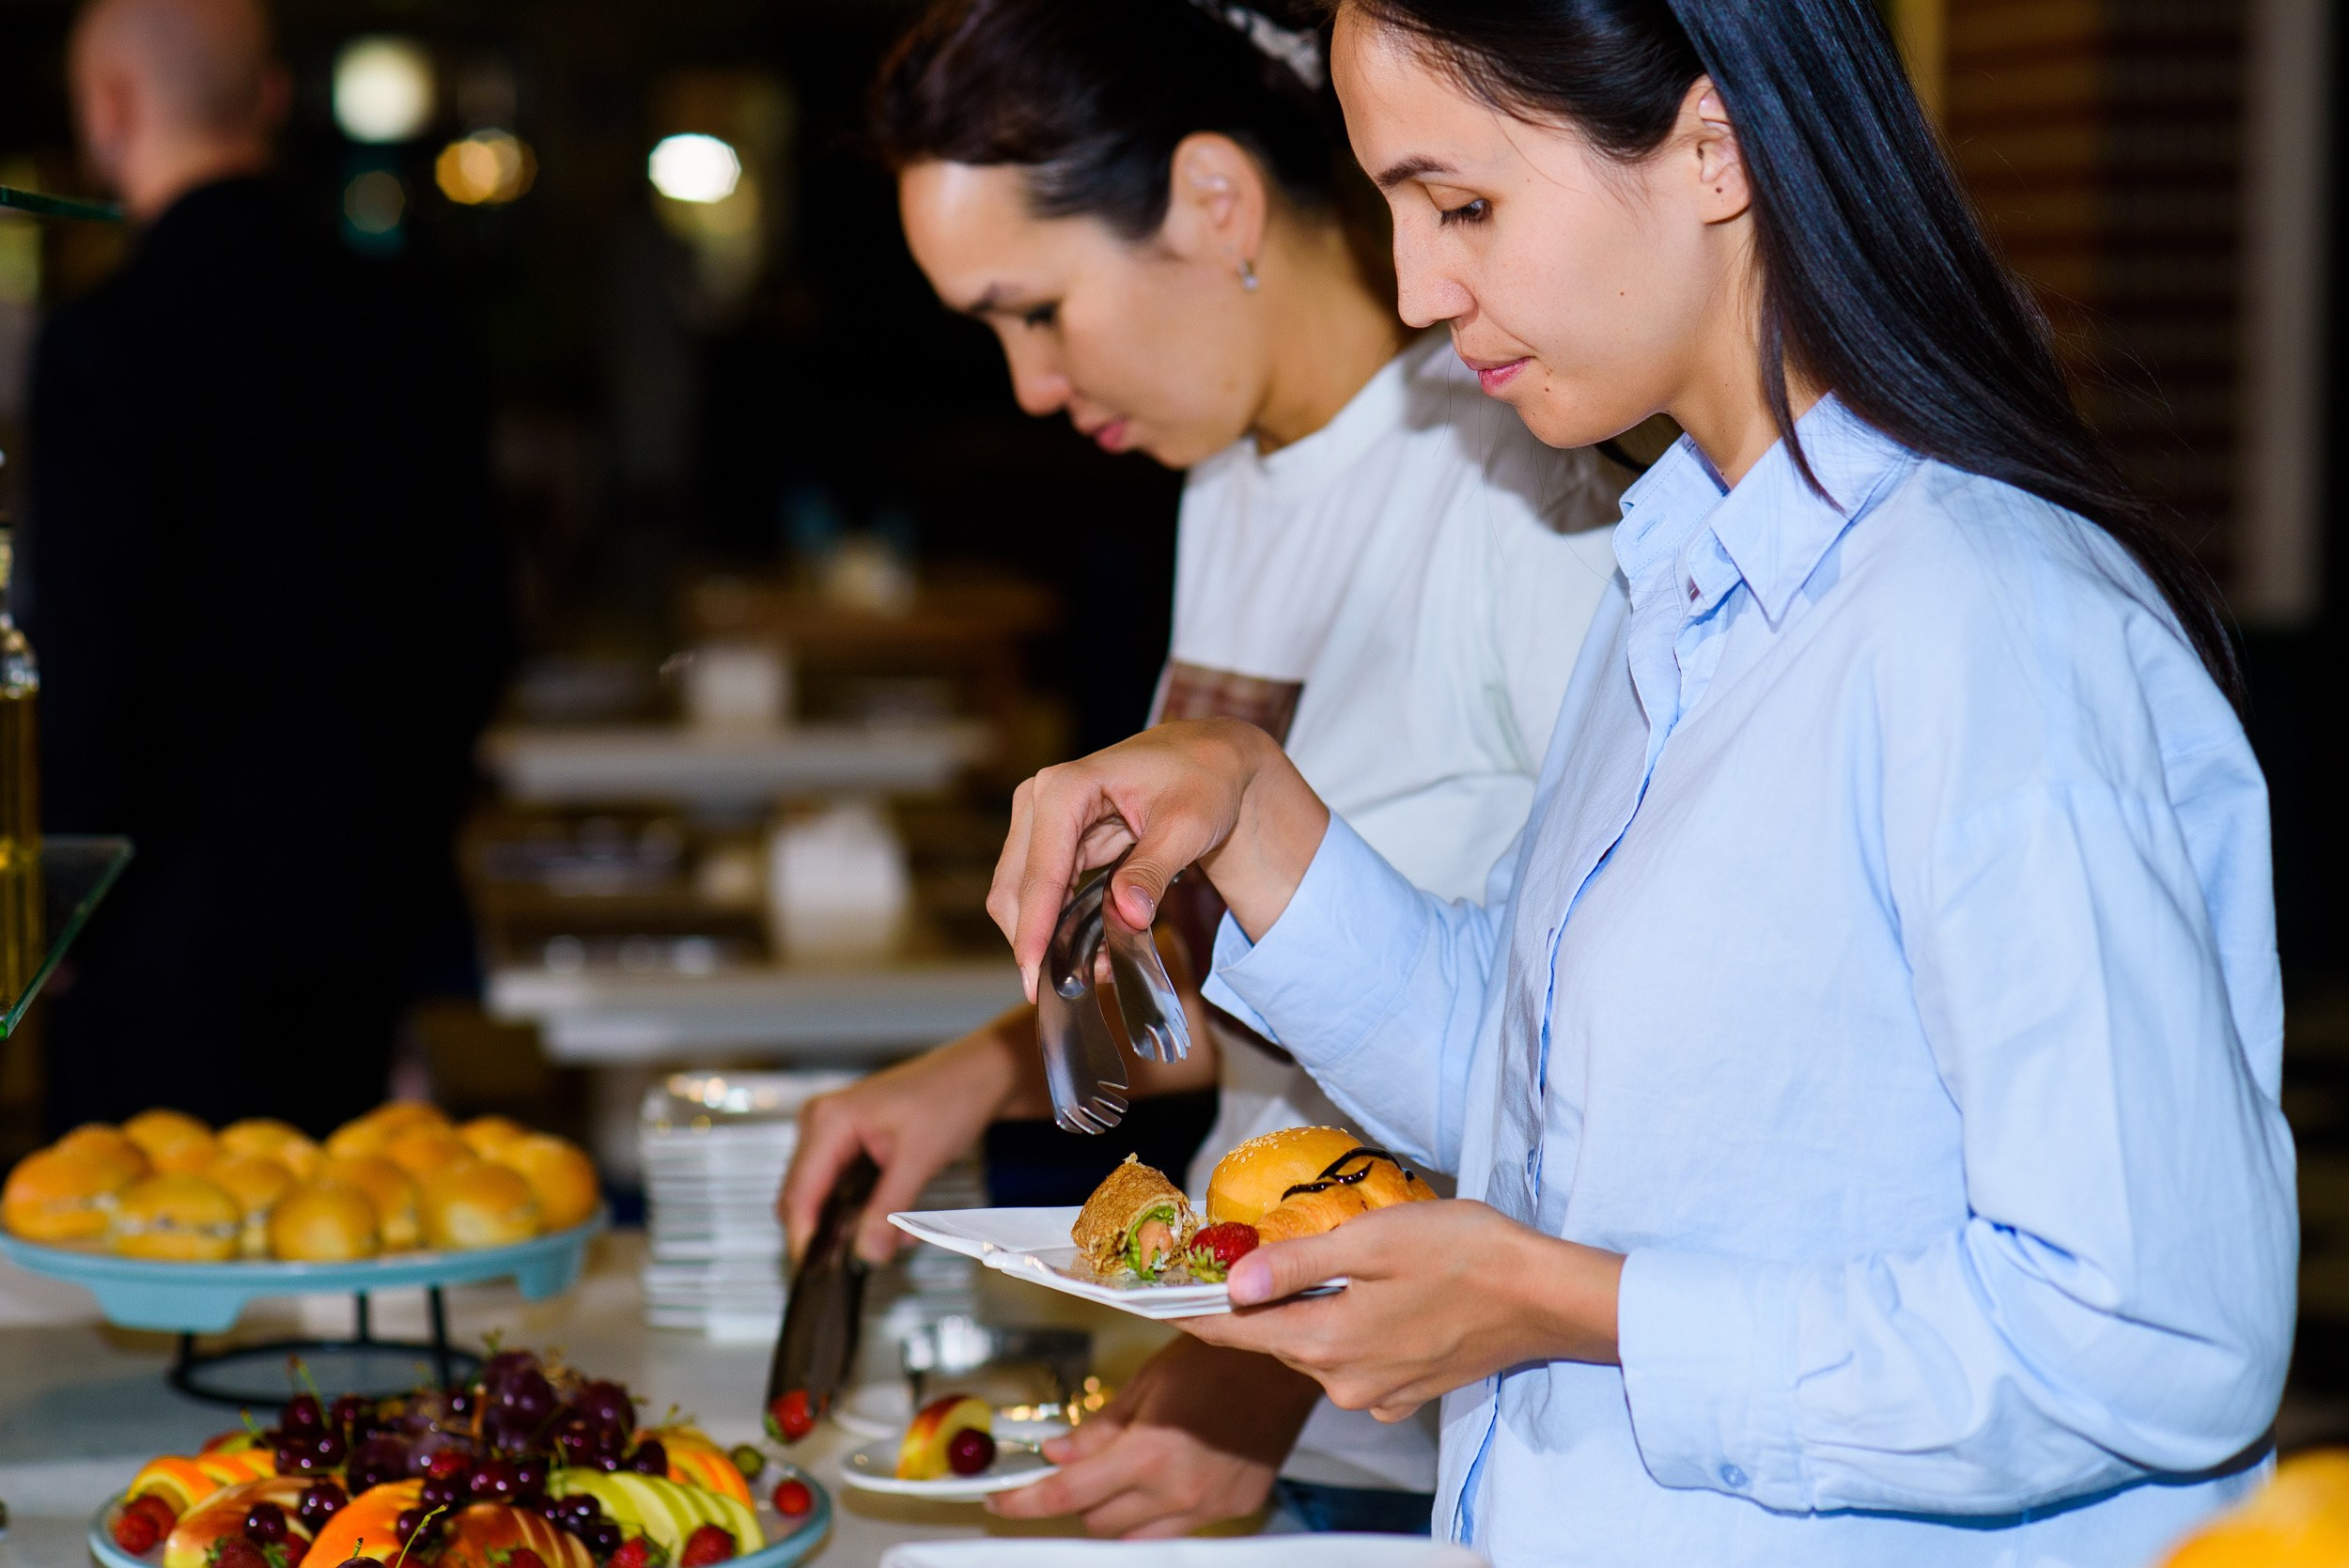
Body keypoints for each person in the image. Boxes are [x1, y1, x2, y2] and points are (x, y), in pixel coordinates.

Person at [988, 0, 2297, 1563]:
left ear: (1713, 146)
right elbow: (1562, 1100)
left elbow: (2154, 1337)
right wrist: (1256, 811)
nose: (1418, 285)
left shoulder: (1979, 619)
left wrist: (1569, 1306)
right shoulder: (1678, 572)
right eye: (1395, 208)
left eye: (1463, 203)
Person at [778, 0, 1623, 1538]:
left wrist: (1265, 1388)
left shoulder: (1523, 487)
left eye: (1038, 310)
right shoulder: (1230, 469)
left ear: (1215, 201)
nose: (1030, 385)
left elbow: (1578, 1062)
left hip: (1438, 1440)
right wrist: (980, 1070)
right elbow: (1257, 970)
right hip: (1273, 1370)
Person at [29, 0, 510, 1134]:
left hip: (157, 917)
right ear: (275, 100)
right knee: (350, 1227)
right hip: (366, 892)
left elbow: (89, 655)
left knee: (150, 1247)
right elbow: (478, 628)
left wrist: (50, 908)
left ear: (107, 109)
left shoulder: (106, 337)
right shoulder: (409, 321)